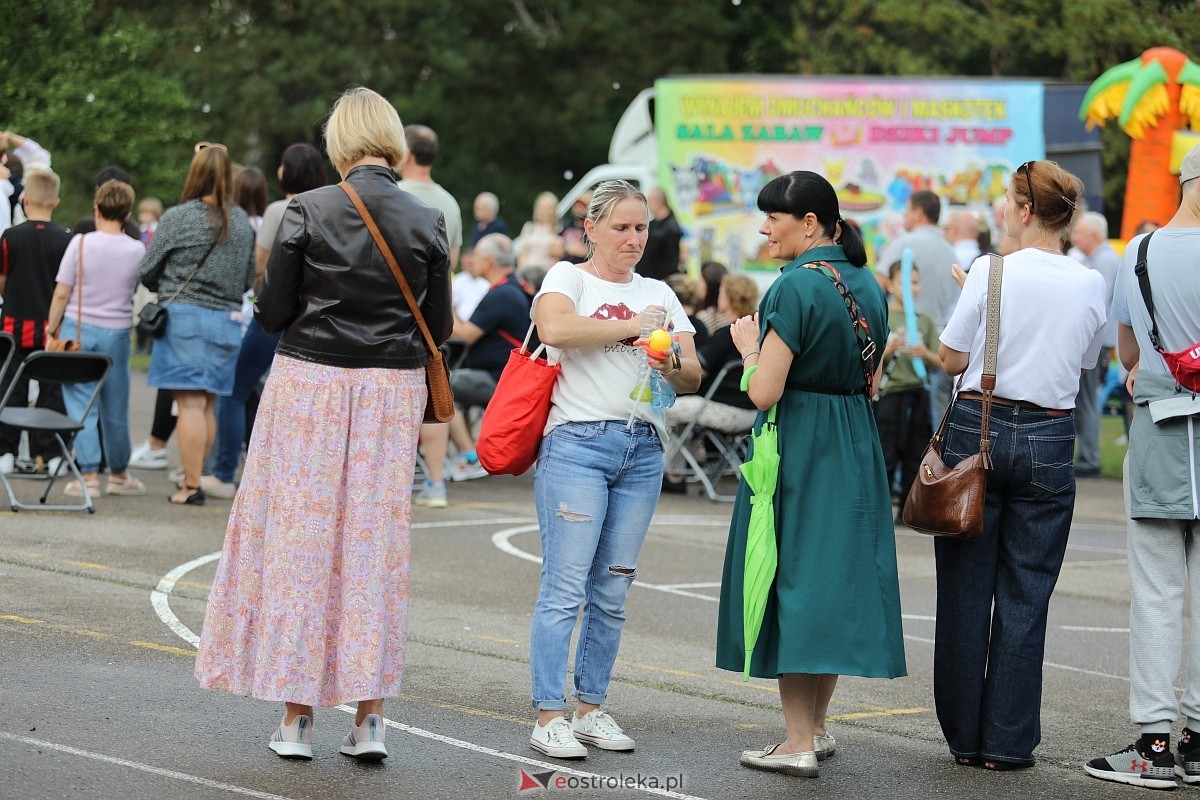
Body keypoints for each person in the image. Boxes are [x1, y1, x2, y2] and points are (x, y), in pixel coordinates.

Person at [195, 86, 452, 762]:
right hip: (389, 388)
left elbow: (274, 311)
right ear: (393, 140)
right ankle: (370, 719)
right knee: (373, 546)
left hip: (311, 379)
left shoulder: (307, 208)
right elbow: (444, 326)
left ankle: (297, 717)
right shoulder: (427, 220)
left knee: (300, 545)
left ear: (339, 141)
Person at [715, 170, 905, 779]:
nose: (765, 229)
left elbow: (765, 390)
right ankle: (816, 729)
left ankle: (796, 741)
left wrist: (747, 348)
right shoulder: (868, 284)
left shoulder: (792, 288)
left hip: (800, 442)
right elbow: (871, 377)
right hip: (853, 437)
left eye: (774, 217)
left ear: (810, 223)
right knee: (832, 582)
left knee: (791, 580)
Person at [934, 160, 1106, 772]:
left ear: (1027, 210)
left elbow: (952, 357)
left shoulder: (989, 270)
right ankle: (1007, 743)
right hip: (1049, 433)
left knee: (963, 593)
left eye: (1009, 202)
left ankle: (964, 736)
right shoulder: (1089, 281)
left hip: (978, 425)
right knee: (1026, 597)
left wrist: (971, 298)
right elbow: (1083, 361)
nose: (1004, 212)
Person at [527, 179, 699, 759]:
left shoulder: (660, 291)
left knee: (613, 590)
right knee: (565, 587)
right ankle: (549, 714)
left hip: (642, 447)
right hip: (577, 441)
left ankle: (590, 707)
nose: (633, 238)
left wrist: (668, 358)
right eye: (621, 227)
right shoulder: (569, 278)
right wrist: (632, 327)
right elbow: (555, 329)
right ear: (591, 229)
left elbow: (691, 374)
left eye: (642, 227)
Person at [1085, 143, 1200, 790]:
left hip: (1161, 425)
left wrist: (1145, 364)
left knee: (1158, 592)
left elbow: (1125, 346)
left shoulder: (1142, 250)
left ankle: (1154, 741)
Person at [205, 143, 328, 499]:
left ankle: (225, 472)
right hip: (313, 320)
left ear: (286, 172)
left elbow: (260, 268)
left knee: (234, 388)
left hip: (273, 316)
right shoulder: (329, 208)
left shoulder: (280, 209)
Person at [137, 142, 256, 505]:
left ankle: (191, 487)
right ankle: (197, 476)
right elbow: (249, 278)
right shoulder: (241, 223)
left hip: (184, 319)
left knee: (188, 404)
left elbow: (147, 269)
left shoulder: (177, 217)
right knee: (206, 404)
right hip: (226, 321)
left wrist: (165, 285)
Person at [45, 180, 146, 497]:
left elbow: (62, 291)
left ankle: (88, 476)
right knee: (115, 403)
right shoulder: (137, 248)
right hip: (117, 331)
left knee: (80, 402)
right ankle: (118, 473)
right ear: (128, 213)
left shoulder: (81, 243)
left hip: (78, 329)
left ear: (96, 209)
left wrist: (51, 329)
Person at [415, 233, 529, 507]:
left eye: (476, 256)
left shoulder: (502, 294)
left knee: (444, 389)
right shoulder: (513, 289)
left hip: (498, 378)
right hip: (505, 375)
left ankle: (469, 456)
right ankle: (466, 455)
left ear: (488, 261)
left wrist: (441, 307)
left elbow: (466, 334)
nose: (471, 260)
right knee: (456, 390)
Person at [0, 167, 73, 477]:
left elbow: (2, 280)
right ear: (56, 202)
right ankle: (52, 452)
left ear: (25, 199)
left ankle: (6, 450)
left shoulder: (10, 237)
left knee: (10, 388)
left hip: (13, 326)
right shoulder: (67, 239)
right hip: (49, 329)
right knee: (50, 390)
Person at [661, 273, 757, 494]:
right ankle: (680, 472)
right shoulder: (754, 331)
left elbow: (698, 369)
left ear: (731, 297)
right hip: (752, 410)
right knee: (683, 415)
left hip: (728, 410)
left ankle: (669, 473)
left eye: (722, 292)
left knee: (665, 411)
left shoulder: (729, 332)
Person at [877, 189, 960, 426]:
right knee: (933, 424)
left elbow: (877, 289)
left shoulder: (904, 244)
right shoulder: (950, 251)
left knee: (893, 429)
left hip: (903, 349)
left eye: (907, 210)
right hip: (941, 347)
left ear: (918, 213)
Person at [875, 261, 941, 512]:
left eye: (914, 282)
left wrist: (924, 353)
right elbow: (869, 358)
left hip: (918, 394)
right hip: (889, 395)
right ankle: (881, 507)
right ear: (890, 285)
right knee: (886, 452)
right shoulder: (883, 315)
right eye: (904, 282)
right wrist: (889, 349)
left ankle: (910, 509)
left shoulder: (924, 320)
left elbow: (942, 364)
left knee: (917, 453)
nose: (910, 288)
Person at [1068, 211, 1120, 478]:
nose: (1074, 237)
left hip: (1095, 341)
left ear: (1094, 236)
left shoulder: (1106, 261)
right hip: (1095, 340)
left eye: (1079, 232)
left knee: (1086, 400)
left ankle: (1090, 458)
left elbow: (1096, 305)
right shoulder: (1097, 258)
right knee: (1084, 399)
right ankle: (1087, 456)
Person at [397, 124, 462, 268]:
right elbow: (452, 262)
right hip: (435, 289)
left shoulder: (389, 193)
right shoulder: (450, 202)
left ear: (407, 154)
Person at [636, 188, 683, 280]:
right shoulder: (652, 224)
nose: (648, 205)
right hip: (646, 277)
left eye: (649, 201)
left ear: (658, 201)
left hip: (659, 279)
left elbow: (671, 261)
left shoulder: (672, 228)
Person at [517, 191, 564, 268]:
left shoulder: (558, 229)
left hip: (545, 271)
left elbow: (557, 255)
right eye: (541, 207)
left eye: (547, 208)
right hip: (527, 271)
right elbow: (523, 253)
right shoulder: (529, 227)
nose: (543, 211)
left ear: (553, 210)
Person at [694, 260, 728, 335]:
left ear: (709, 285)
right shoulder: (730, 315)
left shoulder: (704, 318)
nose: (697, 284)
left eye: (701, 280)